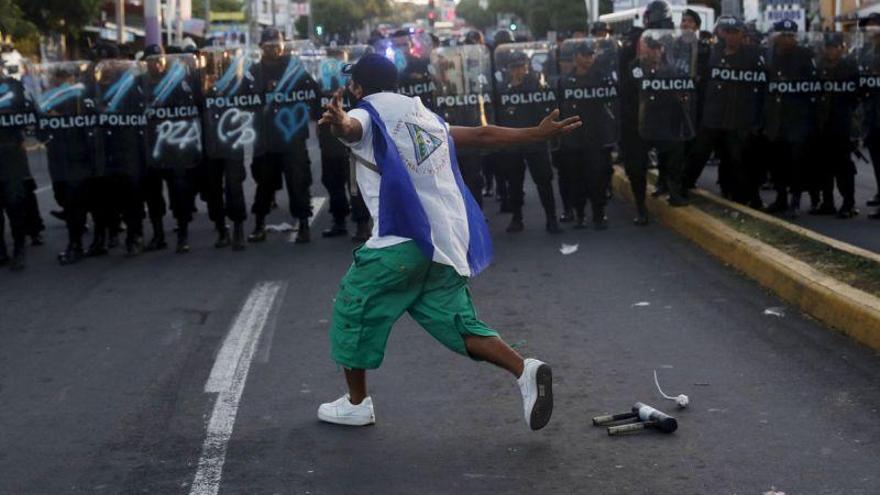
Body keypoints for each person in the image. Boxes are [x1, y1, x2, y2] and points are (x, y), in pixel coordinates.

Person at [316, 53, 580, 429]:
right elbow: (482, 135)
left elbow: (353, 128)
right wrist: (536, 134)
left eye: (353, 84)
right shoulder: (423, 115)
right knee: (458, 323)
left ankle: (357, 403)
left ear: (358, 87)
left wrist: (340, 123)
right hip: (444, 244)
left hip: (401, 241)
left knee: (352, 308)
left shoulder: (367, 112)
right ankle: (526, 371)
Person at [249, 28, 318, 244]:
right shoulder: (254, 71)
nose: (274, 50)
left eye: (277, 45)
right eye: (269, 46)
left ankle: (304, 225)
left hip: (292, 136)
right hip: (266, 137)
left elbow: (313, 92)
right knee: (264, 184)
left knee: (298, 182)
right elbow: (244, 98)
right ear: (262, 47)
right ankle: (259, 224)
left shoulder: (295, 68)